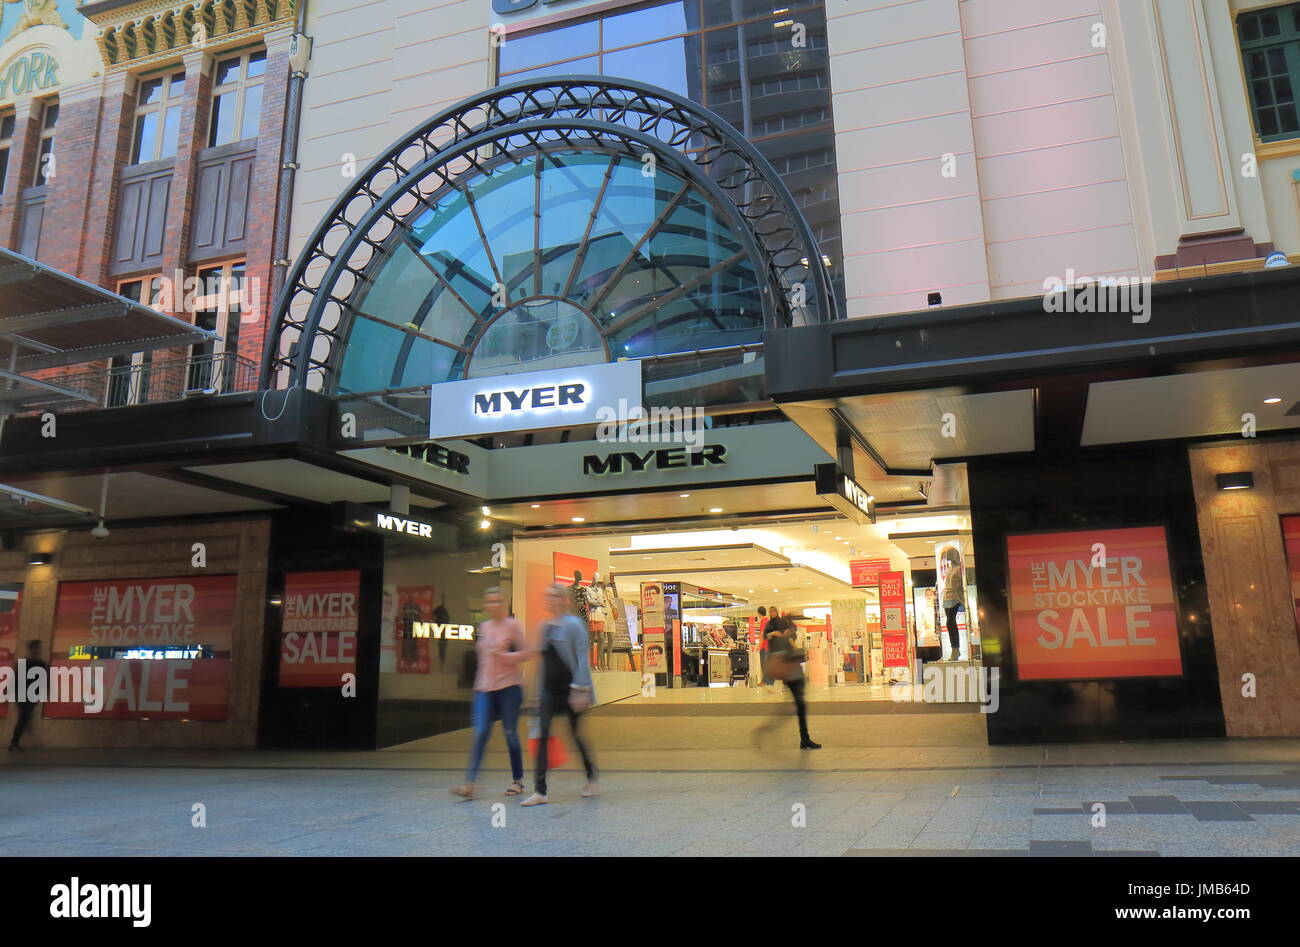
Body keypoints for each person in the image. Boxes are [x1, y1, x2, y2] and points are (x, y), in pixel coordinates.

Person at [450, 588, 533, 800]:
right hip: (484, 689)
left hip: (509, 688)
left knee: (510, 734)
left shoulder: (513, 626)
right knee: (480, 734)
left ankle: (518, 780)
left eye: (497, 601)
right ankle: (469, 784)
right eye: (490, 601)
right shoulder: (484, 627)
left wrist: (504, 656)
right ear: (485, 605)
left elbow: (526, 653)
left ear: (503, 604)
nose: (494, 605)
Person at [521, 584, 598, 807]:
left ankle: (591, 778)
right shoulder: (544, 627)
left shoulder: (574, 625)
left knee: (575, 735)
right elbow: (543, 662)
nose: (549, 599)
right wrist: (533, 694)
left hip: (571, 689)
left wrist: (581, 690)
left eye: (554, 596)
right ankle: (540, 790)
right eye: (548, 596)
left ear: (564, 600)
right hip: (548, 691)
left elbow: (583, 657)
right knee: (542, 735)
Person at [754, 623, 820, 750]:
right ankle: (803, 739)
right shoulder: (783, 642)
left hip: (793, 679)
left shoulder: (782, 641)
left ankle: (804, 738)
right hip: (793, 679)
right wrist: (799, 651)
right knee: (796, 708)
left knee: (796, 708)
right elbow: (796, 657)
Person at [9, 640, 48, 752]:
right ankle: (14, 743)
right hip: (21, 695)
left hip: (32, 696)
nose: (37, 650)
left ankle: (17, 740)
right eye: (36, 648)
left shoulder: (41, 663)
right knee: (24, 716)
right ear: (31, 649)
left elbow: (45, 679)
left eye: (39, 648)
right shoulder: (24, 663)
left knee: (25, 717)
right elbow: (15, 679)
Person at [940, 546, 965, 661]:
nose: (949, 559)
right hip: (947, 597)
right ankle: (954, 649)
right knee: (949, 623)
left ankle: (956, 649)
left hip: (955, 597)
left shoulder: (960, 568)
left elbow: (960, 584)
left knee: (950, 622)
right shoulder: (950, 569)